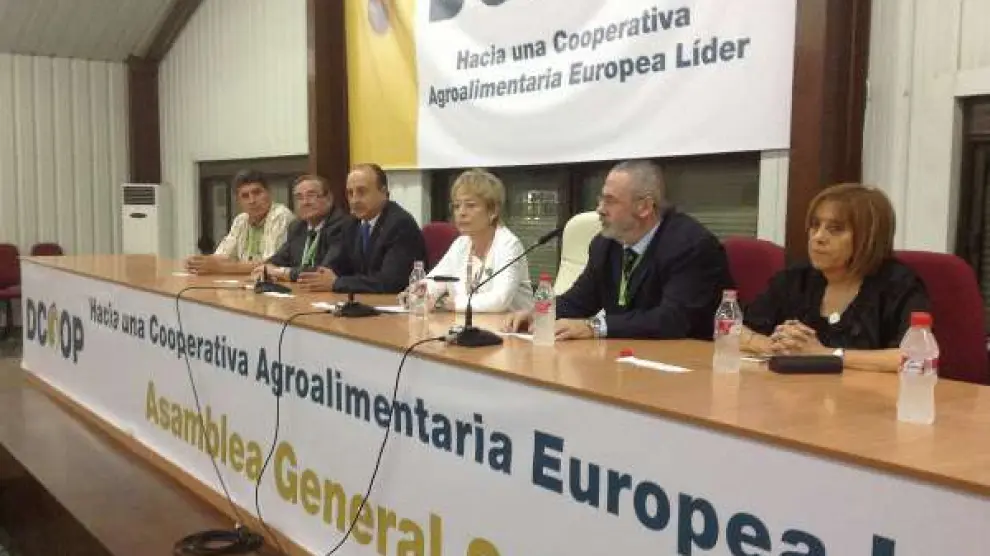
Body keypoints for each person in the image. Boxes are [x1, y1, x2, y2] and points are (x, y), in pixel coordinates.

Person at [504, 159, 733, 340]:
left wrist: (594, 327)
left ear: (644, 207)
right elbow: (579, 300)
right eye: (600, 199)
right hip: (627, 355)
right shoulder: (605, 244)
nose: (599, 209)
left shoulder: (691, 246)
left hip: (689, 362)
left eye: (610, 201)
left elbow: (672, 319)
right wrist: (541, 312)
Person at [740, 183, 930, 373]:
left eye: (835, 229)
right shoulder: (796, 278)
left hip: (869, 390)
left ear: (868, 238)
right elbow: (735, 329)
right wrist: (774, 346)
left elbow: (916, 358)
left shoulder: (898, 284)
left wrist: (826, 354)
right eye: (815, 225)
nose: (818, 237)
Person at [399, 169, 533, 313]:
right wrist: (418, 293)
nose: (461, 213)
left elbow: (500, 300)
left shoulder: (508, 245)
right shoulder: (461, 244)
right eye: (457, 206)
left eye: (470, 205)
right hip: (467, 323)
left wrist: (450, 303)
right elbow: (435, 280)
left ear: (493, 211)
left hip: (510, 325)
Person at [319, 163, 426, 294]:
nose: (354, 200)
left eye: (362, 191)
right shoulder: (351, 223)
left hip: (393, 302)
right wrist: (323, 276)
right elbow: (337, 266)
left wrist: (337, 283)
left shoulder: (400, 225)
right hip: (364, 300)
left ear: (384, 192)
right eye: (350, 193)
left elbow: (390, 282)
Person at [185, 170, 293, 275]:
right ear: (238, 201)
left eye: (257, 193)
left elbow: (270, 264)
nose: (252, 201)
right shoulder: (241, 220)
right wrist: (200, 262)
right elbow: (223, 255)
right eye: (245, 196)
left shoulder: (280, 215)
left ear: (269, 193)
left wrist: (221, 267)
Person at [251, 175, 347, 290]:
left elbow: (322, 272)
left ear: (329, 198)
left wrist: (282, 272)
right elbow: (277, 260)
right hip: (303, 292)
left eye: (311, 195)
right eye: (299, 197)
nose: (305, 202)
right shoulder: (297, 227)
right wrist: (265, 270)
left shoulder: (342, 225)